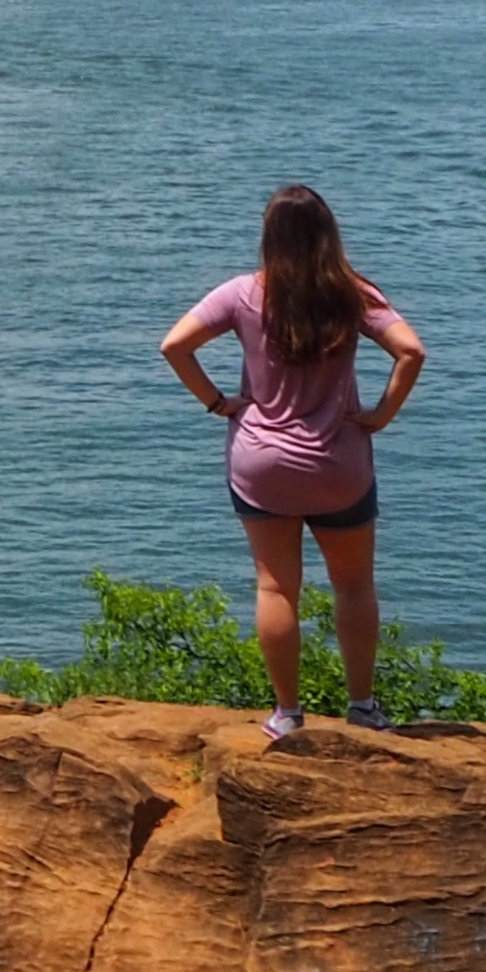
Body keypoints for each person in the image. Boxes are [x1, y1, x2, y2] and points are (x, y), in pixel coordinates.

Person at [162, 185, 426, 738]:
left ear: (269, 237)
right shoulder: (352, 294)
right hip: (338, 467)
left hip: (263, 466)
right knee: (353, 587)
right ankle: (362, 706)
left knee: (276, 589)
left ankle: (286, 714)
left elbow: (175, 346)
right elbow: (411, 350)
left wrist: (216, 403)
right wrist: (381, 414)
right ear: (328, 233)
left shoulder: (241, 294)